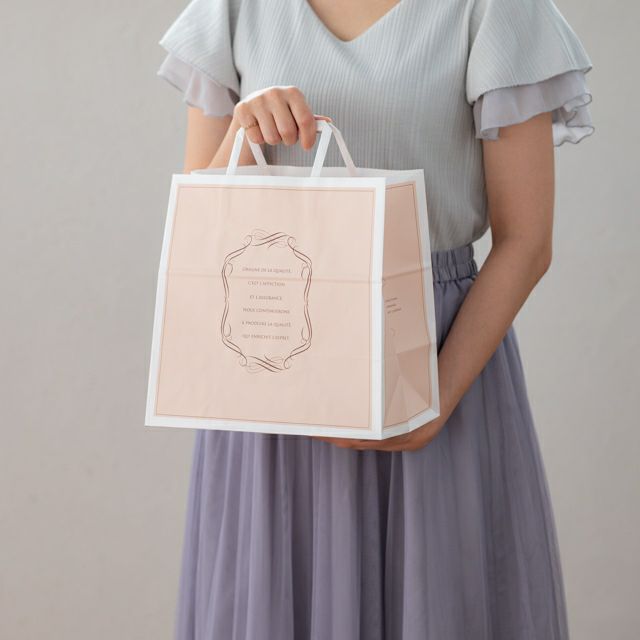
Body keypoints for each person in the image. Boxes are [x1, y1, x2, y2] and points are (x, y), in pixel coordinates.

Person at [155, 0, 594, 638]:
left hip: (433, 359)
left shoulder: (493, 11)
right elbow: (204, 236)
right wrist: (243, 134)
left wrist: (432, 402)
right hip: (271, 375)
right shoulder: (232, 10)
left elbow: (526, 241)